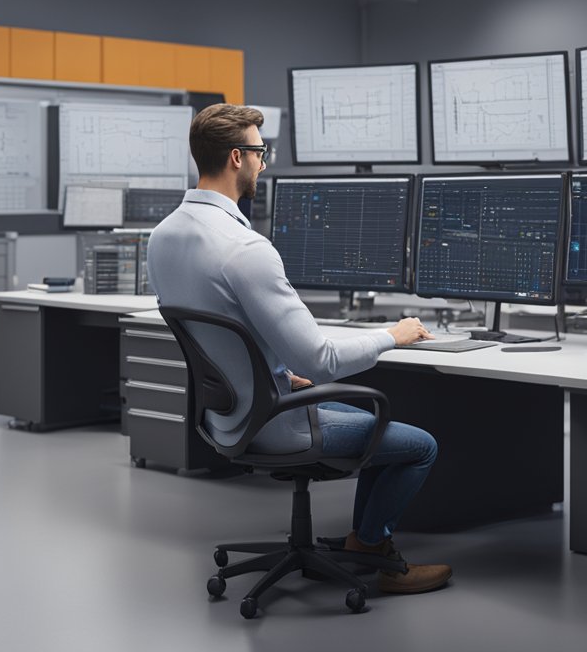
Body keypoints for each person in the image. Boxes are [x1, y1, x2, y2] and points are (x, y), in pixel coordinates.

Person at [146, 103, 452, 595]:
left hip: (229, 416)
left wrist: (273, 374)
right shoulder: (246, 250)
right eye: (260, 153)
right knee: (419, 446)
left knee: (378, 425)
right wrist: (392, 336)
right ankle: (372, 549)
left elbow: (218, 337)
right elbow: (321, 360)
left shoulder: (162, 238)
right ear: (236, 158)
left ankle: (364, 542)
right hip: (278, 426)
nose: (264, 164)